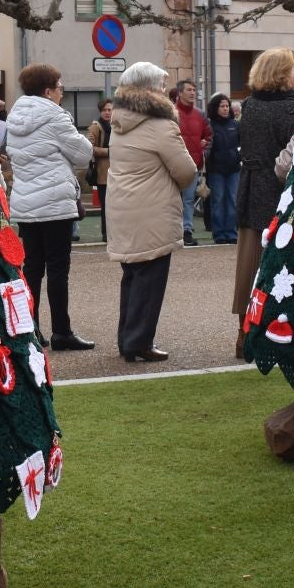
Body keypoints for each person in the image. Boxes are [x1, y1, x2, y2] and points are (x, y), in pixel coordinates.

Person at [105, 61, 196, 362]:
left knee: (132, 277)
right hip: (152, 210)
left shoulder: (120, 120)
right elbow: (186, 171)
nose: (164, 90)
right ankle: (138, 342)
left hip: (123, 207)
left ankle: (127, 339)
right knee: (150, 280)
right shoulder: (160, 124)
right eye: (160, 85)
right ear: (147, 89)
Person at [4, 63, 96, 352]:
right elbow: (83, 155)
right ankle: (62, 331)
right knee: (58, 269)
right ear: (48, 90)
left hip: (26, 202)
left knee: (32, 268)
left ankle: (30, 329)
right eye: (59, 87)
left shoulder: (15, 116)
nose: (61, 92)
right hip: (55, 202)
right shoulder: (56, 117)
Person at [232, 49, 294, 350]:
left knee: (248, 261)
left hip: (250, 188)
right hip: (277, 189)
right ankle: (278, 331)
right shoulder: (293, 111)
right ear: (283, 74)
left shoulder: (249, 106)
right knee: (282, 261)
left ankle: (243, 332)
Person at [172, 78, 210, 247]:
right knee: (172, 200)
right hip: (172, 163)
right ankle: (172, 232)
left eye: (194, 90)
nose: (193, 93)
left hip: (193, 164)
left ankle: (187, 230)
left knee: (188, 199)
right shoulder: (171, 113)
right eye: (189, 90)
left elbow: (209, 136)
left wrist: (205, 151)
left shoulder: (200, 114)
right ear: (180, 93)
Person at [204, 93, 241, 244]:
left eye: (227, 106)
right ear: (215, 108)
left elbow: (242, 143)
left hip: (233, 169)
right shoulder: (210, 125)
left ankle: (231, 233)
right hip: (216, 170)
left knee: (232, 200)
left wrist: (239, 157)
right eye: (222, 106)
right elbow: (207, 148)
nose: (226, 109)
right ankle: (218, 233)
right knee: (218, 201)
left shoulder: (235, 124)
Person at [86, 99, 113, 241]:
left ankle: (115, 234)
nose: (108, 113)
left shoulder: (117, 126)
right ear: (100, 112)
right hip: (103, 174)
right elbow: (89, 148)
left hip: (117, 172)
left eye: (110, 110)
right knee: (106, 207)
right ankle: (106, 235)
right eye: (105, 110)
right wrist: (109, 152)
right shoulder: (95, 127)